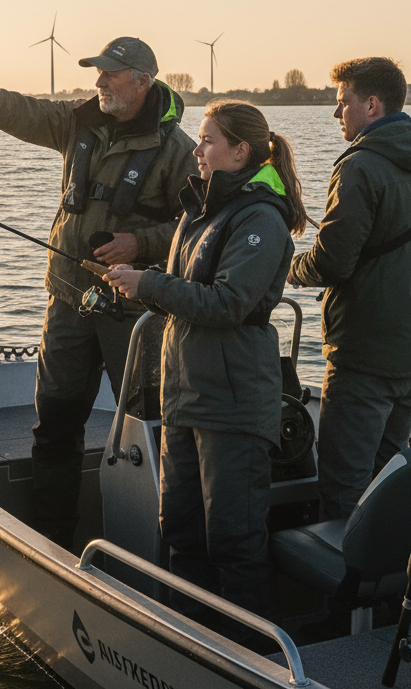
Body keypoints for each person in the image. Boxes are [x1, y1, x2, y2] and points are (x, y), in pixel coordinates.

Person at [0, 36, 197, 548]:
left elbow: (196, 228)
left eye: (111, 74)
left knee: (151, 428)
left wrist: (141, 242)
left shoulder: (178, 151)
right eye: (98, 72)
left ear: (142, 81)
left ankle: (169, 548)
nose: (100, 81)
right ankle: (53, 541)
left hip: (133, 315)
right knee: (54, 424)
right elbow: (23, 113)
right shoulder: (78, 121)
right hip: (68, 301)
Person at [105, 100, 306, 637]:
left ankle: (255, 658)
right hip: (186, 396)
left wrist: (149, 284)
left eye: (209, 141)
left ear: (240, 151)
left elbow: (228, 302)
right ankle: (188, 642)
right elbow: (186, 290)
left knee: (234, 541)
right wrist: (141, 278)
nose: (197, 151)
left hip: (233, 405)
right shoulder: (203, 209)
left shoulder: (261, 216)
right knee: (182, 532)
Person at [287, 56, 411, 521]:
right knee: (388, 487)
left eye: (343, 103)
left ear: (372, 105)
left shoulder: (359, 166)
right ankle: (383, 593)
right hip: (406, 358)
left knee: (343, 490)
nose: (336, 114)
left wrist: (291, 268)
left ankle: (345, 593)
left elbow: (333, 261)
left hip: (361, 356)